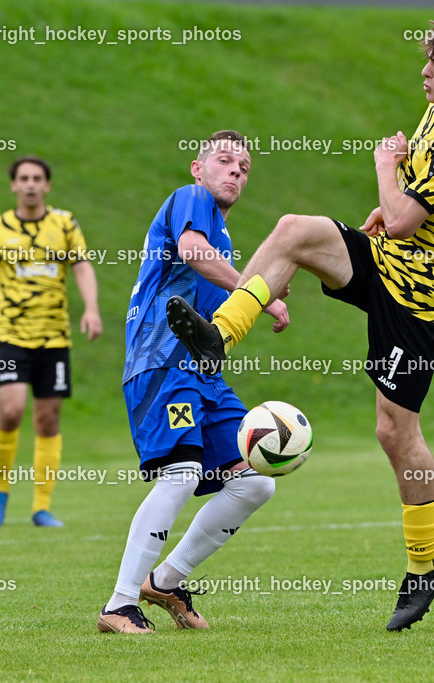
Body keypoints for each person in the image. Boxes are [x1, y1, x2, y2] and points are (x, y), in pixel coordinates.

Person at [166, 16, 434, 631]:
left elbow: (406, 216)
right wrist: (394, 199)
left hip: (419, 302)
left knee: (394, 433)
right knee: (296, 229)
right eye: (426, 60)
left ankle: (426, 565)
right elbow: (413, 212)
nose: (425, 71)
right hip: (388, 263)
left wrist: (386, 167)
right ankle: (222, 332)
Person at [98, 130, 290, 634]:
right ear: (196, 167)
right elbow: (190, 250)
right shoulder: (191, 201)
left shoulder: (223, 241)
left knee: (255, 481)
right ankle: (119, 605)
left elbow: (218, 314)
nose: (235, 171)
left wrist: (256, 292)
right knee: (180, 475)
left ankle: (165, 581)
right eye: (225, 160)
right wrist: (261, 291)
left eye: (244, 168)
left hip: (203, 373)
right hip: (161, 363)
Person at [0, 155, 102, 528]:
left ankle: (41, 507)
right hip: (11, 337)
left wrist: (91, 308)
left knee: (47, 420)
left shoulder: (64, 224)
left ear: (47, 185)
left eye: (37, 178)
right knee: (11, 411)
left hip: (54, 338)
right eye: (24, 178)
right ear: (13, 185)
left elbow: (82, 266)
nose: (30, 184)